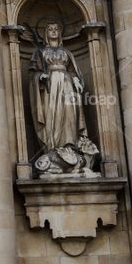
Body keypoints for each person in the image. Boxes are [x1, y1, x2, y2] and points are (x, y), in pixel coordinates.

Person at [28, 20, 98, 176]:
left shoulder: (68, 53)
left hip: (67, 86)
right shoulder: (40, 52)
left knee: (69, 115)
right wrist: (40, 77)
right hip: (50, 89)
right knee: (52, 115)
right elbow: (33, 72)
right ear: (46, 34)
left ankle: (70, 145)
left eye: (56, 29)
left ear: (60, 32)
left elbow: (74, 71)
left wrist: (75, 80)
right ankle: (53, 147)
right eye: (50, 29)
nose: (53, 31)